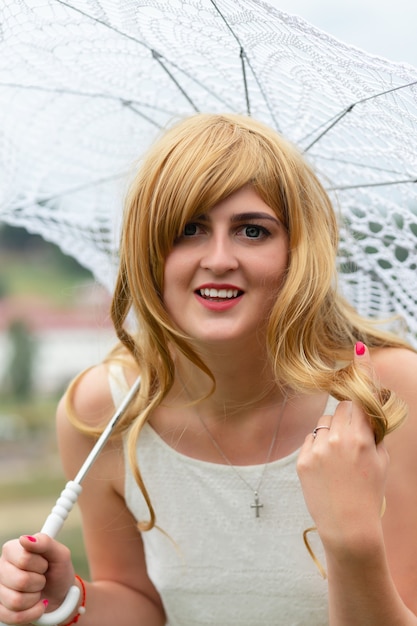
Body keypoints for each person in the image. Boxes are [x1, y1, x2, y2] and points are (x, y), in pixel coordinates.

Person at [1, 112, 417, 626]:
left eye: (251, 230)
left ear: (297, 252)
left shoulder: (389, 394)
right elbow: (142, 604)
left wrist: (352, 541)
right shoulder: (101, 412)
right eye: (189, 229)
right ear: (148, 248)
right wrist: (69, 597)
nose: (218, 259)